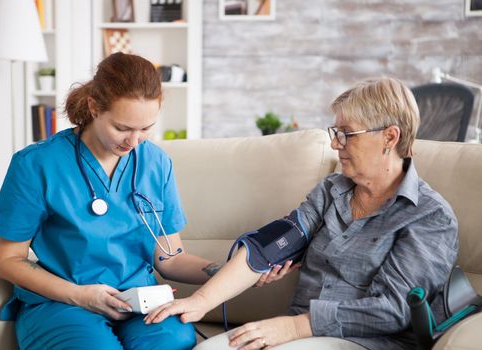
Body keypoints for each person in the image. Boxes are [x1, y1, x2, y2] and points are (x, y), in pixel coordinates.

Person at [0, 53, 287, 350]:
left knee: (175, 339)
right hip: (63, 301)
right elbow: (6, 259)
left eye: (145, 128)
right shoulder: (37, 163)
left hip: (138, 301)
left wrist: (229, 271)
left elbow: (169, 257)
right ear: (93, 107)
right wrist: (80, 295)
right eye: (122, 128)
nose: (133, 141)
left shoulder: (156, 163)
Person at [145, 77, 459, 350]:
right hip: (298, 333)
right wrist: (198, 303)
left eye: (347, 133)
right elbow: (269, 247)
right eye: (335, 132)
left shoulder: (430, 217)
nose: (336, 144)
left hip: (369, 342)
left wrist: (296, 327)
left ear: (390, 137)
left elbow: (392, 310)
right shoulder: (332, 190)